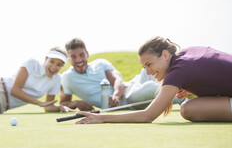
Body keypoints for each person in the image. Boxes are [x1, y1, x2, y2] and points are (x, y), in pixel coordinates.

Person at [75, 36, 232, 124]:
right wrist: (198, 88)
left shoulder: (179, 70)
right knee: (189, 105)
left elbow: (147, 116)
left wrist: (101, 118)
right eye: (145, 68)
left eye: (149, 65)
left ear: (164, 55)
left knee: (187, 109)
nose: (148, 72)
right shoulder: (186, 54)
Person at [60, 38, 166, 111]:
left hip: (129, 89)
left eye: (81, 55)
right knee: (151, 87)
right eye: (73, 57)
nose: (78, 60)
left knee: (148, 70)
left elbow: (117, 79)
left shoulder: (100, 63)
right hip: (127, 101)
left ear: (87, 54)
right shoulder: (66, 78)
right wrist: (77, 103)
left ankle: (180, 87)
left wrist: (116, 95)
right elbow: (64, 103)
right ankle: (178, 96)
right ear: (68, 59)